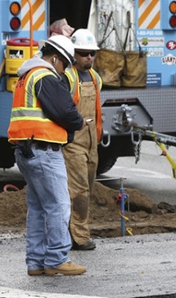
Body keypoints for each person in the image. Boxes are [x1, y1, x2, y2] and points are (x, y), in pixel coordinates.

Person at [8, 35, 89, 276]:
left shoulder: (26, 75)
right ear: (55, 58)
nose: (64, 71)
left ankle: (36, 262)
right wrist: (79, 122)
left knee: (38, 208)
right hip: (43, 151)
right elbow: (64, 111)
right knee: (59, 206)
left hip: (27, 150)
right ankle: (56, 258)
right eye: (64, 64)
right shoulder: (45, 75)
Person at [62, 29, 103, 251]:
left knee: (87, 188)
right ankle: (78, 237)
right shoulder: (68, 77)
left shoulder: (95, 78)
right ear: (74, 54)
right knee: (78, 191)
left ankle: (73, 231)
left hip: (91, 142)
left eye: (92, 53)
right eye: (83, 53)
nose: (89, 57)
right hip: (74, 144)